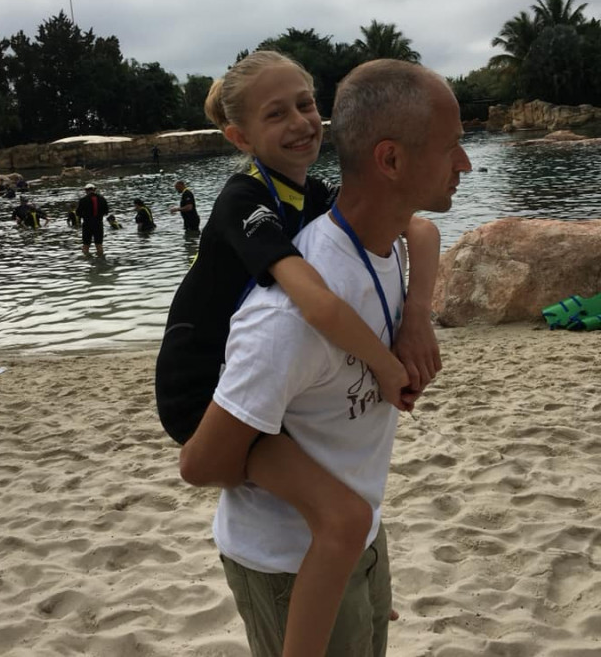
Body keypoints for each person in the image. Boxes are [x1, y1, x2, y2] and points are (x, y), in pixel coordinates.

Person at [178, 59, 472, 656]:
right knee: (337, 521)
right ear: (390, 160)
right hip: (284, 552)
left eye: (306, 105)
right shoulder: (279, 297)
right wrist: (388, 367)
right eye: (453, 148)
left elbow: (419, 232)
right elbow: (202, 462)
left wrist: (416, 317)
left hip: (358, 540)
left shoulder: (352, 224)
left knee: (344, 525)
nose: (466, 164)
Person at [76, 183, 109, 256]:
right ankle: (101, 261)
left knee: (86, 245)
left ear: (86, 190)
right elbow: (106, 212)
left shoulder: (83, 200)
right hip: (98, 224)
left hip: (87, 225)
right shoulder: (102, 199)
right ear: (94, 189)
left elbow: (78, 213)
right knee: (99, 244)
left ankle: (86, 261)